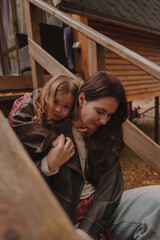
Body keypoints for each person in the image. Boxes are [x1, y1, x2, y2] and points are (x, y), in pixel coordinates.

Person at [12, 71, 160, 240]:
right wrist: (48, 165)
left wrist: (85, 233)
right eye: (100, 111)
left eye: (109, 115)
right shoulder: (48, 124)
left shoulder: (104, 136)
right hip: (62, 217)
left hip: (99, 214)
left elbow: (109, 190)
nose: (104, 120)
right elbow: (19, 182)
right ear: (81, 99)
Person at [10, 74, 83, 162]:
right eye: (55, 102)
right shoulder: (33, 102)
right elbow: (20, 125)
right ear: (47, 95)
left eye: (66, 107)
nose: (58, 109)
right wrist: (51, 138)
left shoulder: (65, 119)